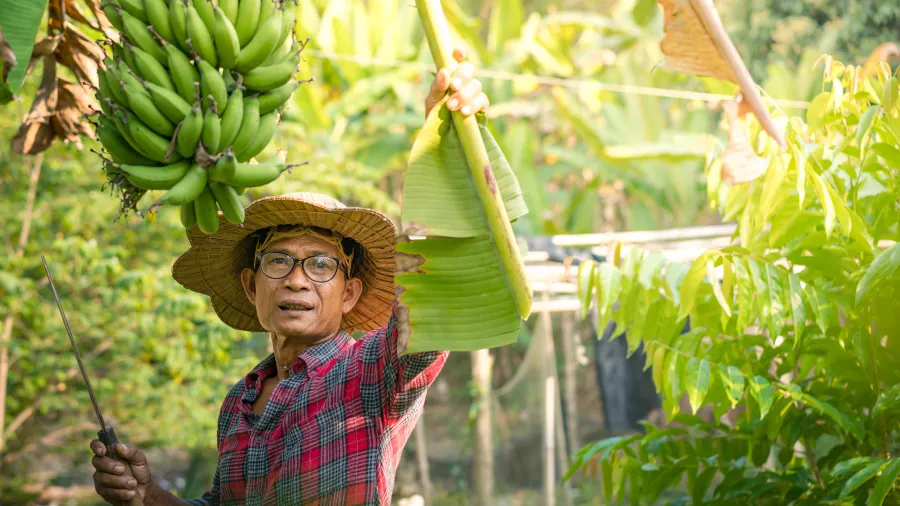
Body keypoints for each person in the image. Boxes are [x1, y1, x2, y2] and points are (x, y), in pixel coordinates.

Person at [89, 48, 489, 506]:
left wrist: (443, 141)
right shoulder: (240, 402)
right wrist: (147, 494)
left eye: (321, 266)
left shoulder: (370, 373)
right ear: (250, 285)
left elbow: (429, 293)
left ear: (349, 294)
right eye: (278, 261)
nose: (297, 280)